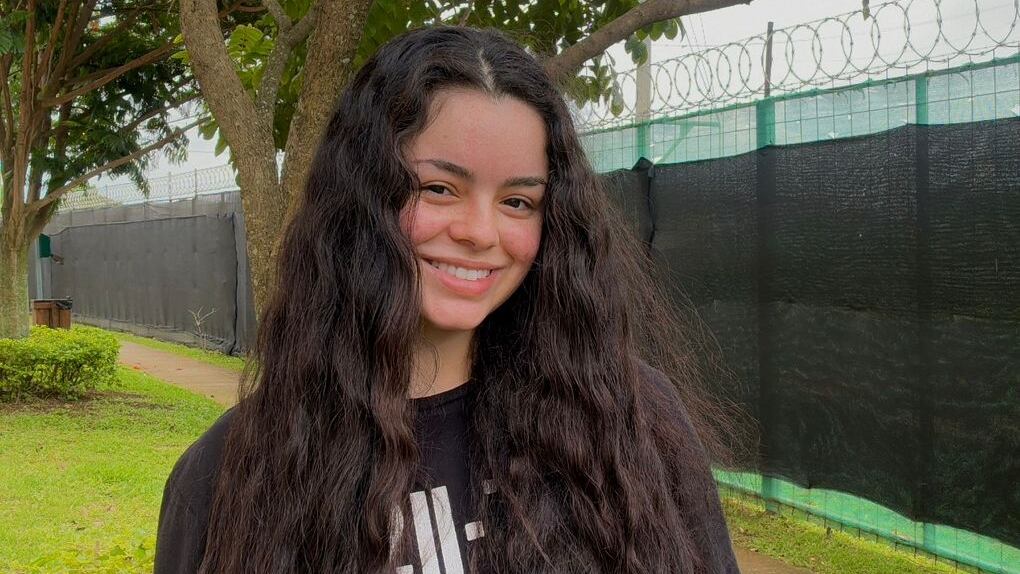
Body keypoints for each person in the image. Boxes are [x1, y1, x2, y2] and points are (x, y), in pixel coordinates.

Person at [155, 25, 740, 574]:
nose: (480, 232)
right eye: (439, 188)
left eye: (517, 202)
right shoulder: (228, 473)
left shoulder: (631, 421)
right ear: (360, 201)